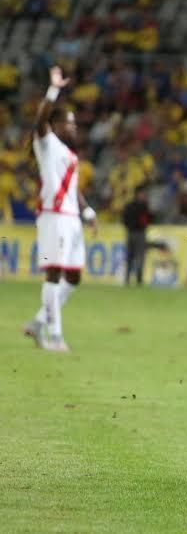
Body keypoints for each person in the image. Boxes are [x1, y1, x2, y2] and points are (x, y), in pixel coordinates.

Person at [23, 66, 96, 352]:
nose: (74, 128)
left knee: (74, 276)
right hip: (53, 218)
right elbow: (40, 119)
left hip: (72, 219)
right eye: (70, 123)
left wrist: (87, 210)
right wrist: (53, 89)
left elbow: (73, 187)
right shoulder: (46, 142)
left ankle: (39, 322)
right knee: (53, 273)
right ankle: (55, 336)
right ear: (56, 125)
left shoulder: (69, 155)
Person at [122, 185, 152, 286]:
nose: (143, 196)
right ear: (138, 194)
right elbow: (147, 220)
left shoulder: (129, 205)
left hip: (132, 233)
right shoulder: (143, 206)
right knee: (138, 257)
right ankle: (136, 280)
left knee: (130, 257)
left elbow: (124, 219)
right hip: (138, 234)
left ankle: (129, 279)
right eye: (142, 194)